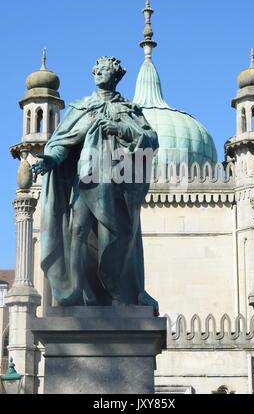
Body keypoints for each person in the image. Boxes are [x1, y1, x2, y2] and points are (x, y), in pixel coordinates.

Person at [32, 56, 159, 314]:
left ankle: (116, 293)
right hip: (84, 180)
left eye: (107, 70)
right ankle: (75, 292)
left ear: (116, 76)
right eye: (98, 70)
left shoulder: (129, 110)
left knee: (110, 236)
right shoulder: (81, 107)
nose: (101, 73)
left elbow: (150, 138)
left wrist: (118, 129)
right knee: (77, 230)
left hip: (116, 184)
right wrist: (49, 159)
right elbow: (62, 143)